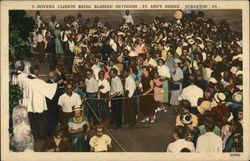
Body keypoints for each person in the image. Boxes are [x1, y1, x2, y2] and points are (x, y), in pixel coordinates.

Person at [26, 65, 58, 141]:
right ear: (36, 71)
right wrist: (56, 84)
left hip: (30, 106)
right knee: (42, 124)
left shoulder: (26, 80)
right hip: (39, 107)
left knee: (33, 124)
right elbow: (49, 90)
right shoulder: (39, 82)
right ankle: (43, 140)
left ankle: (35, 138)